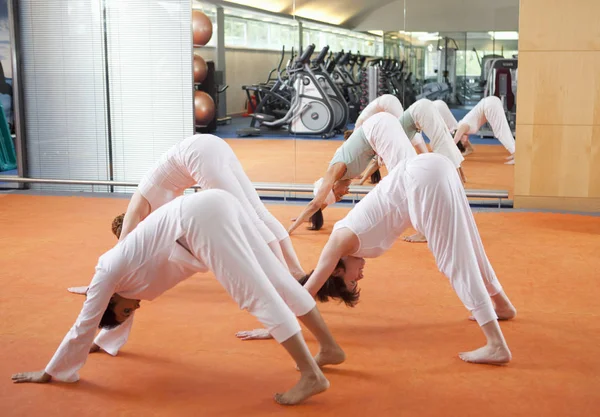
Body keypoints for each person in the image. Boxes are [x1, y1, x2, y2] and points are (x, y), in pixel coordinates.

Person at [11, 190, 346, 406]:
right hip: (214, 203)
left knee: (256, 295)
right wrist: (102, 340)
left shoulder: (107, 271)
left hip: (200, 220)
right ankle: (330, 349)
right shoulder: (129, 284)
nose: (136, 307)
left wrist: (52, 370)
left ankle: (311, 375)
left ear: (111, 300)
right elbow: (111, 317)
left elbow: (85, 320)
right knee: (279, 281)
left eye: (127, 310)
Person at [238, 153, 517, 366]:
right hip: (430, 169)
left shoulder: (338, 242)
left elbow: (304, 294)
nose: (359, 277)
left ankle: (496, 344)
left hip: (422, 178)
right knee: (469, 243)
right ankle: (502, 305)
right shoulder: (351, 246)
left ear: (336, 273)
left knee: (454, 260)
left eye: (351, 281)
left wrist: (275, 326)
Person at [68, 134, 306, 297]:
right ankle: (295, 272)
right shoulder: (155, 213)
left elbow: (121, 252)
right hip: (210, 145)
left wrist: (96, 286)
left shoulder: (137, 207)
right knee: (257, 212)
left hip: (198, 154)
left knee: (250, 219)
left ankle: (286, 285)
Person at [288, 112, 416, 235]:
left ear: (332, 187)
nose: (346, 193)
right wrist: (306, 216)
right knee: (410, 171)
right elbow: (322, 201)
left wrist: (290, 229)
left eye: (340, 195)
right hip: (382, 126)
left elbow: (316, 203)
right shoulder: (343, 176)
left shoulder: (336, 169)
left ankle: (421, 225)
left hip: (379, 128)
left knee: (405, 177)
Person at [453, 96, 516, 164]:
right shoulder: (465, 130)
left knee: (500, 132)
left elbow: (455, 139)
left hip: (489, 105)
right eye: (464, 143)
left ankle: (516, 155)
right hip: (491, 102)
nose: (465, 141)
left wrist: (450, 151)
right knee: (503, 129)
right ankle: (516, 153)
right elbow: (468, 149)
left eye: (462, 141)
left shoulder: (462, 126)